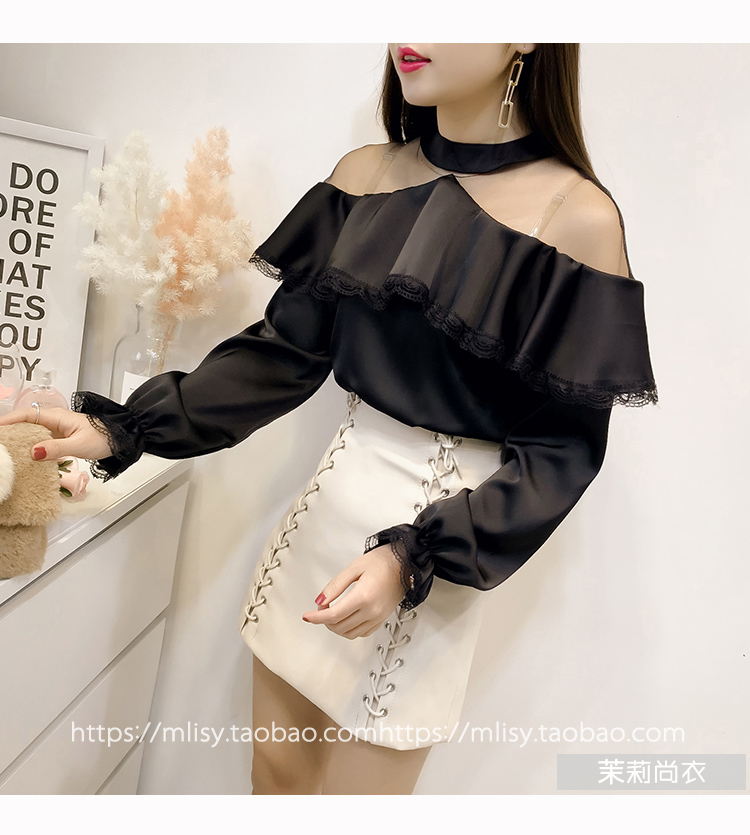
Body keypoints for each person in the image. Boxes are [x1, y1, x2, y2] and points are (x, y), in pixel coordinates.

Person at [0, 44, 657, 794]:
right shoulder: (365, 176)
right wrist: (123, 430)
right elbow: (280, 354)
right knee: (273, 782)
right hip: (316, 534)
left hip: (429, 567)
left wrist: (411, 558)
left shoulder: (577, 217)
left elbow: (561, 451)